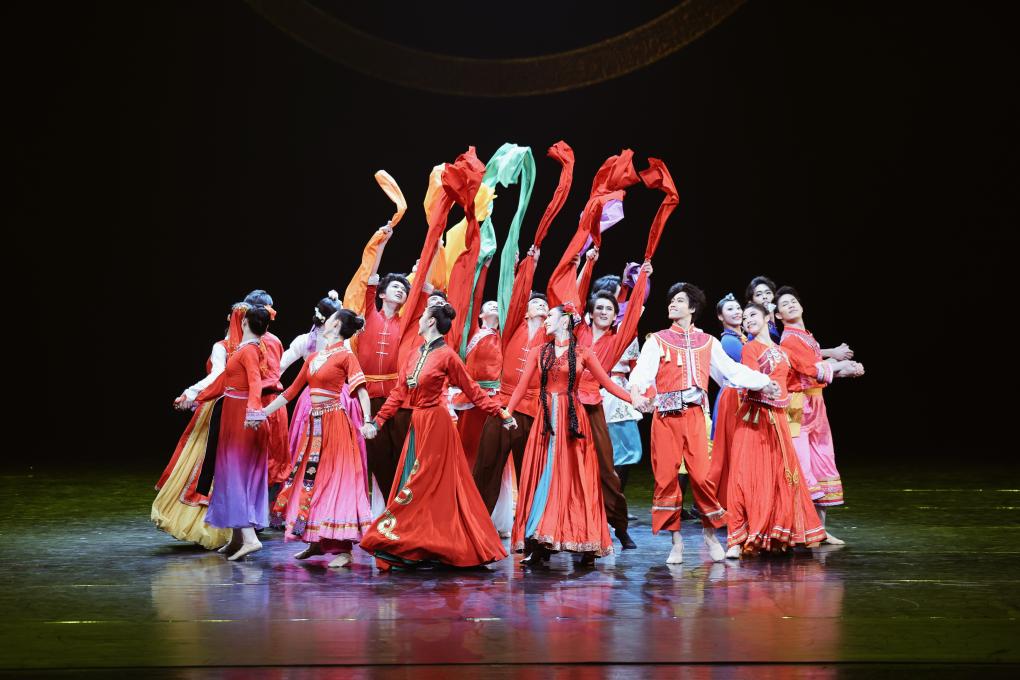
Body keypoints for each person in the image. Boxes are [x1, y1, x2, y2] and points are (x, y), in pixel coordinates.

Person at [630, 282, 779, 564]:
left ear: (692, 308)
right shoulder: (658, 340)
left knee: (701, 477)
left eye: (679, 300)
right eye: (671, 300)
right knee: (666, 478)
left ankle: (710, 534)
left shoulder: (707, 342)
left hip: (695, 416)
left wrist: (762, 382)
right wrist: (637, 393)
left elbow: (731, 370)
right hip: (666, 419)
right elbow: (642, 373)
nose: (672, 304)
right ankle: (676, 542)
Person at [360, 303, 517, 570]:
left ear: (431, 322)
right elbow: (398, 394)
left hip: (437, 426)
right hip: (418, 425)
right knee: (414, 482)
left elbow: (472, 389)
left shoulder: (447, 356)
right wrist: (378, 421)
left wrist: (500, 412)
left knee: (424, 485)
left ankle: (432, 545)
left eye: (423, 316)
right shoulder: (414, 354)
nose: (419, 320)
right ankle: (411, 546)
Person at [507, 303, 639, 568]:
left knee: (575, 478)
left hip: (571, 420)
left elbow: (607, 383)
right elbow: (521, 386)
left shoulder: (582, 353)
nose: (546, 320)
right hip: (546, 419)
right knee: (543, 476)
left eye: (550, 317)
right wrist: (507, 412)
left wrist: (635, 399)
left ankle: (584, 541)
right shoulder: (538, 352)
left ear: (565, 321)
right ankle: (538, 541)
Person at [264, 309, 372, 568]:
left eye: (331, 317)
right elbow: (290, 392)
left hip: (335, 424)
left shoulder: (346, 355)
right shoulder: (313, 357)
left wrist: (368, 421)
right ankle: (315, 541)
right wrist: (263, 412)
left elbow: (361, 390)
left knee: (334, 480)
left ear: (336, 325)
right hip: (314, 426)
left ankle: (343, 548)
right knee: (311, 480)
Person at [724, 303, 827, 557]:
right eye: (745, 318)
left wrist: (841, 368)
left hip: (779, 419)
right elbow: (749, 377)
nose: (747, 320)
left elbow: (809, 369)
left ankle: (777, 532)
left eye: (753, 315)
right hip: (755, 418)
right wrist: (763, 386)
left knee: (781, 476)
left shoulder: (783, 351)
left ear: (767, 317)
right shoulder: (750, 348)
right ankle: (739, 538)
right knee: (747, 476)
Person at [775, 286, 864, 544]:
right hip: (797, 407)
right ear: (778, 315)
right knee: (803, 468)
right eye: (785, 304)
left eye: (793, 301)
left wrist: (845, 370)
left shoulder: (807, 337)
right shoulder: (789, 340)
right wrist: (841, 366)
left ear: (802, 306)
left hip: (816, 403)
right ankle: (802, 529)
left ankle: (820, 530)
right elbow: (808, 370)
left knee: (822, 462)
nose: (791, 305)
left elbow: (817, 372)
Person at [472, 250, 550, 512]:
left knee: (530, 470)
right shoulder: (512, 329)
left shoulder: (550, 336)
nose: (541, 305)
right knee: (487, 464)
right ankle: (478, 519)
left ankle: (530, 523)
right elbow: (515, 297)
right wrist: (525, 267)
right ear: (525, 312)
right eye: (536, 303)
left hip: (533, 411)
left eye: (545, 304)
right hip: (503, 405)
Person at [194, 304, 272, 561]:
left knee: (236, 474)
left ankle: (250, 538)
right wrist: (196, 397)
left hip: (241, 416)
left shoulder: (249, 350)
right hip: (233, 413)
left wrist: (252, 412)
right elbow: (225, 382)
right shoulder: (247, 348)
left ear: (245, 322)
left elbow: (255, 382)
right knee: (229, 472)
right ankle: (237, 538)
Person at [152, 309, 233, 549]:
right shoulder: (255, 347)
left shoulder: (223, 347)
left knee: (205, 461)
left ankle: (207, 526)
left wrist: (191, 393)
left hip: (219, 407)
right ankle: (231, 528)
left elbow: (218, 376)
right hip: (236, 409)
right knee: (224, 464)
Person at [706, 292, 746, 508]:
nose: (737, 311)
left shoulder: (741, 338)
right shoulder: (729, 341)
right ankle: (728, 502)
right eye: (730, 309)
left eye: (738, 308)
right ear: (720, 317)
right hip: (734, 398)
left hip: (740, 396)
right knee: (733, 450)